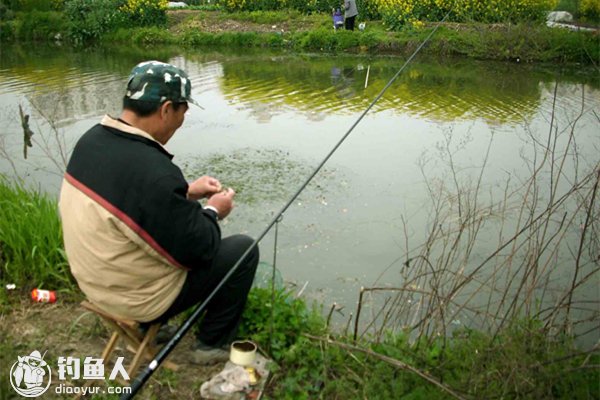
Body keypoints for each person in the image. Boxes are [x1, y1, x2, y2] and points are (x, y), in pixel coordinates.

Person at [59, 60, 259, 365]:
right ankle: (210, 345)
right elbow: (199, 249)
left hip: (93, 283)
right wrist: (213, 210)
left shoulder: (92, 141)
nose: (182, 120)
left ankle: (148, 326)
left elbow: (129, 196)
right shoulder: (154, 172)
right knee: (242, 250)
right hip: (133, 300)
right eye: (182, 111)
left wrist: (187, 192)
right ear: (166, 109)